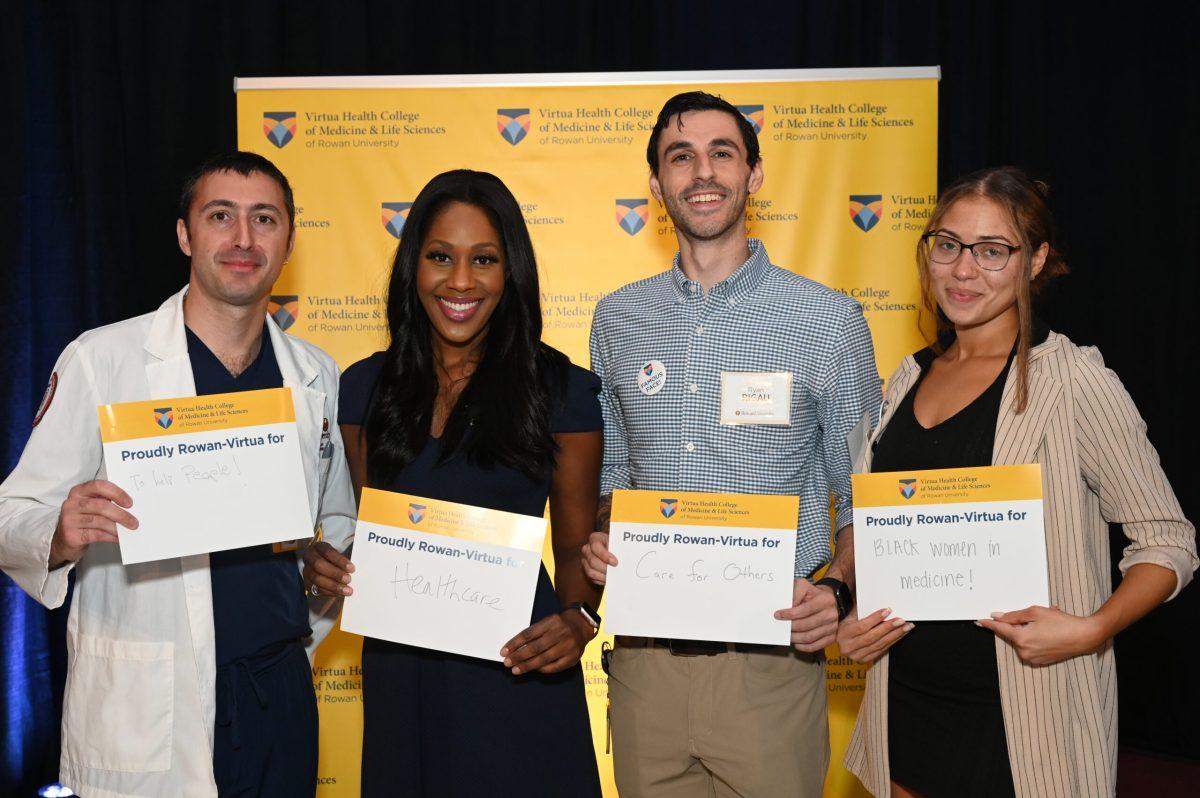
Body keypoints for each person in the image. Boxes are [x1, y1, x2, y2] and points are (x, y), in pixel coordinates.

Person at [0, 151, 356, 797]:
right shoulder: (102, 360)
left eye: (265, 219)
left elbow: (332, 523)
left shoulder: (315, 374)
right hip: (152, 697)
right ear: (186, 235)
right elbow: (10, 515)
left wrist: (324, 562)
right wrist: (60, 528)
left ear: (289, 239)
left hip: (278, 690)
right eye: (221, 216)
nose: (244, 239)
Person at [839, 166, 1197, 798]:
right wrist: (855, 616)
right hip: (908, 711)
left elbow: (1168, 542)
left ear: (1035, 261)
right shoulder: (903, 381)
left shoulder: (1073, 382)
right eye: (947, 245)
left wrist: (1092, 628)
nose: (962, 270)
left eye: (991, 251)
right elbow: (889, 537)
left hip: (1029, 723)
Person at [580, 91, 881, 797]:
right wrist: (601, 536)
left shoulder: (828, 320)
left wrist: (835, 589)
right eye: (680, 157)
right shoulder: (618, 319)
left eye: (723, 153)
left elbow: (863, 495)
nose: (702, 172)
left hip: (769, 667)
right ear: (656, 185)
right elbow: (614, 474)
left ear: (755, 174)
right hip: (645, 668)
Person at [303, 169, 604, 797]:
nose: (461, 281)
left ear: (510, 272)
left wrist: (578, 619)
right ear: (413, 267)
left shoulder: (563, 391)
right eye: (441, 257)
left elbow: (577, 543)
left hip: (520, 663)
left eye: (484, 260)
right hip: (401, 671)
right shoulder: (363, 389)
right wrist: (326, 565)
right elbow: (368, 533)